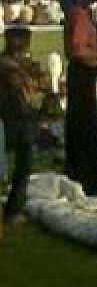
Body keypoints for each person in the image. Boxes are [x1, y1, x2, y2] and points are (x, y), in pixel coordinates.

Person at [62, 0, 97, 196]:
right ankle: (87, 175)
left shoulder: (77, 12)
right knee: (84, 125)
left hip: (80, 75)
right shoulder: (79, 15)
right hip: (82, 75)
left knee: (81, 124)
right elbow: (78, 51)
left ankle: (81, 172)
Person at [0, 24, 44, 225]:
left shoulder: (16, 62)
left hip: (20, 119)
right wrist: (29, 75)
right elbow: (16, 80)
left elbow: (38, 76)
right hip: (10, 119)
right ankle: (13, 209)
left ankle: (14, 208)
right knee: (21, 163)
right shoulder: (7, 64)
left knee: (24, 164)